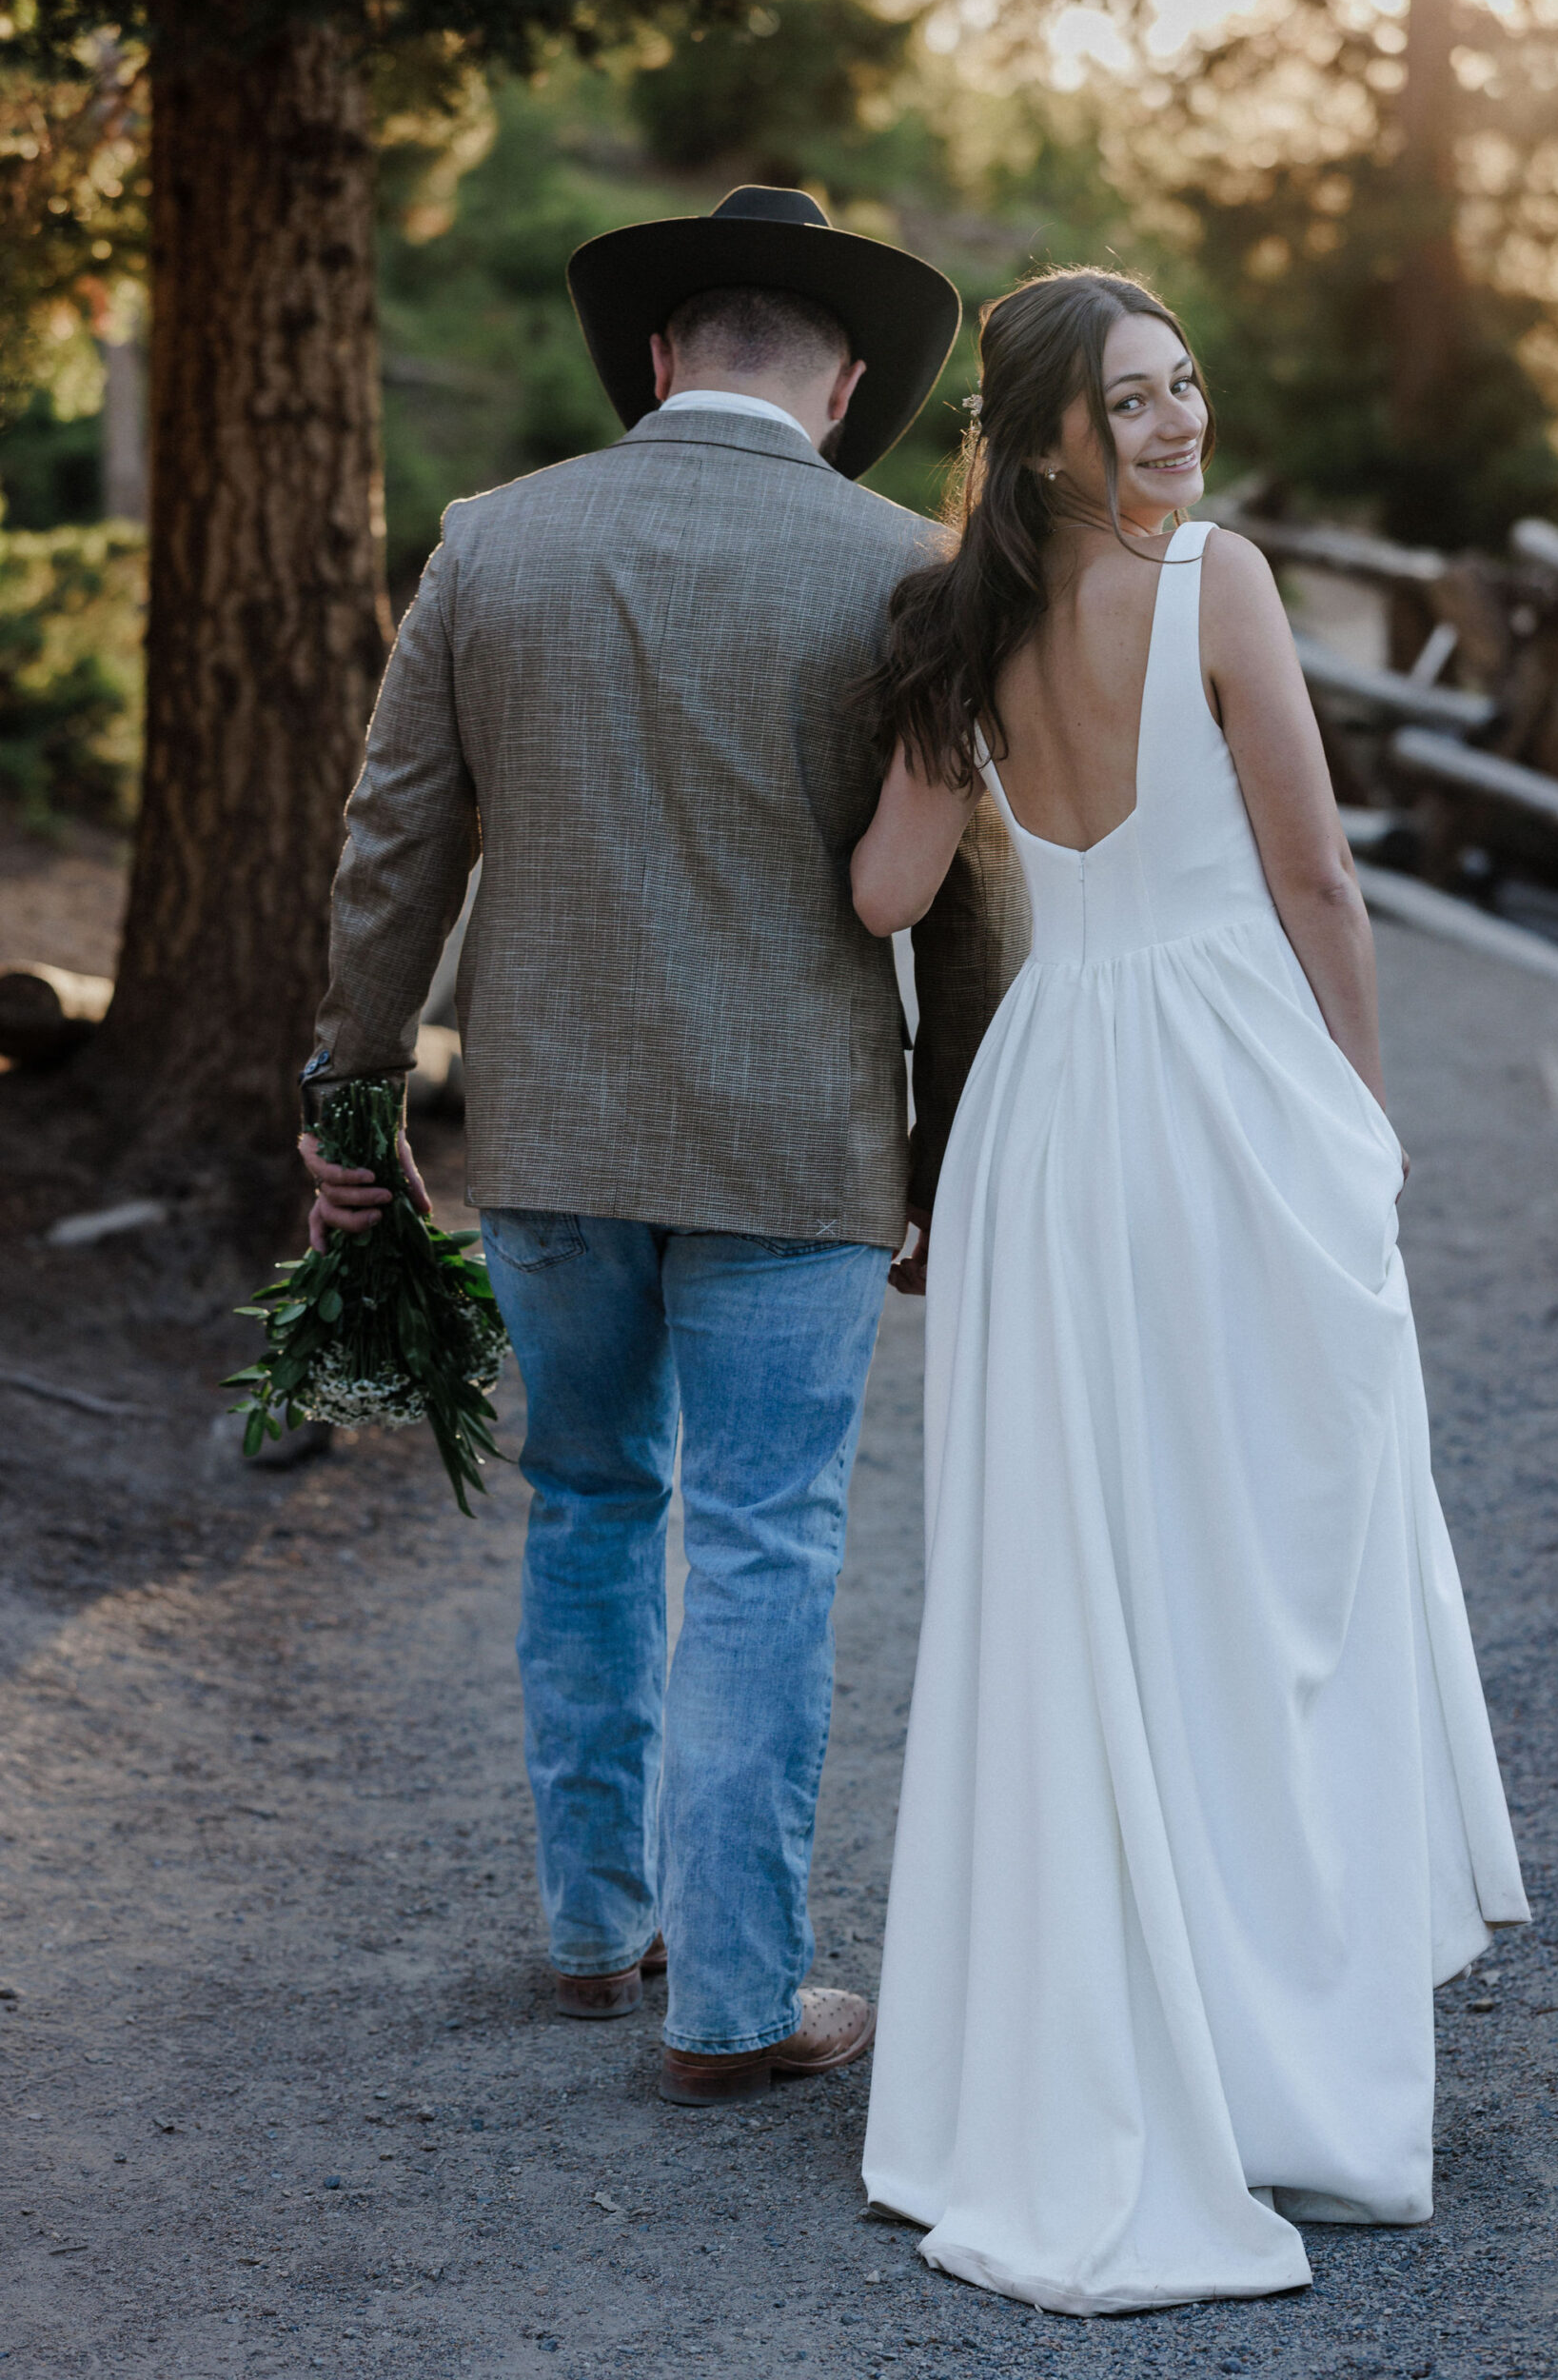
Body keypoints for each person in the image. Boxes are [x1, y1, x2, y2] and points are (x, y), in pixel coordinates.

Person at [297, 188, 1029, 2107]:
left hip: (546, 1129)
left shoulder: (492, 545)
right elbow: (969, 915)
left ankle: (583, 1924)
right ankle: (732, 2002)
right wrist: (957, 1157)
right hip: (794, 1148)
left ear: (657, 357)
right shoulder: (900, 576)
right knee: (768, 1540)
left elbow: (394, 848)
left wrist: (350, 1095)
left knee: (591, 1502)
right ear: (846, 377)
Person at [851, 268, 1529, 2311]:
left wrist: (936, 742)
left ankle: (1124, 2014)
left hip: (1054, 1103)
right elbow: (1315, 878)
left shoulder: (948, 629)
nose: (1176, 424)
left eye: (1186, 387)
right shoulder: (1214, 581)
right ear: (1052, 426)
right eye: (1134, 400)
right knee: (1265, 1544)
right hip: (1229, 1082)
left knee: (1099, 1557)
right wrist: (1367, 1129)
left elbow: (882, 890)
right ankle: (1267, 2035)